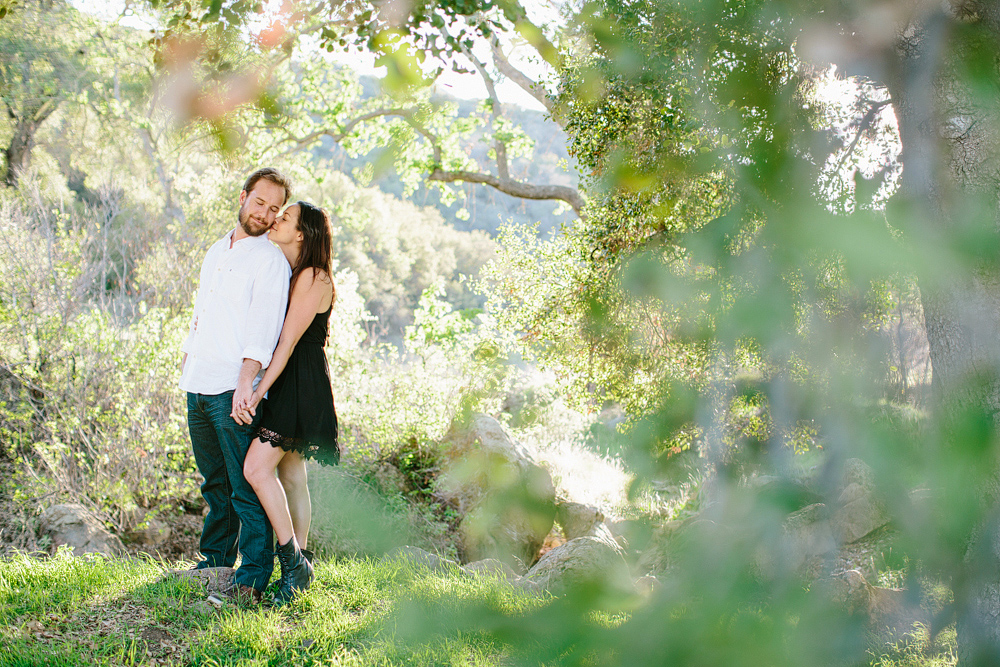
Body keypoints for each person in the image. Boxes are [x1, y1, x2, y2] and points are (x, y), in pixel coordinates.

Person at [179, 167, 292, 604]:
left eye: (274, 209)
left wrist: (246, 384)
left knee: (244, 486)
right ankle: (215, 561)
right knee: (213, 482)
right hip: (198, 382)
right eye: (260, 202)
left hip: (232, 388)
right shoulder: (216, 249)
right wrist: (187, 356)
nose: (265, 214)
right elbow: (202, 311)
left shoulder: (269, 261)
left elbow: (261, 332)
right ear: (243, 197)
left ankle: (255, 571)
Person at [235, 200, 339, 606]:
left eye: (285, 217)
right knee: (292, 474)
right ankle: (302, 563)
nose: (275, 219)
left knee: (256, 469)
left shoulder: (313, 276)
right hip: (291, 381)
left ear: (301, 234)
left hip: (299, 383)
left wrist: (257, 391)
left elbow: (287, 344)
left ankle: (293, 562)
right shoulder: (293, 272)